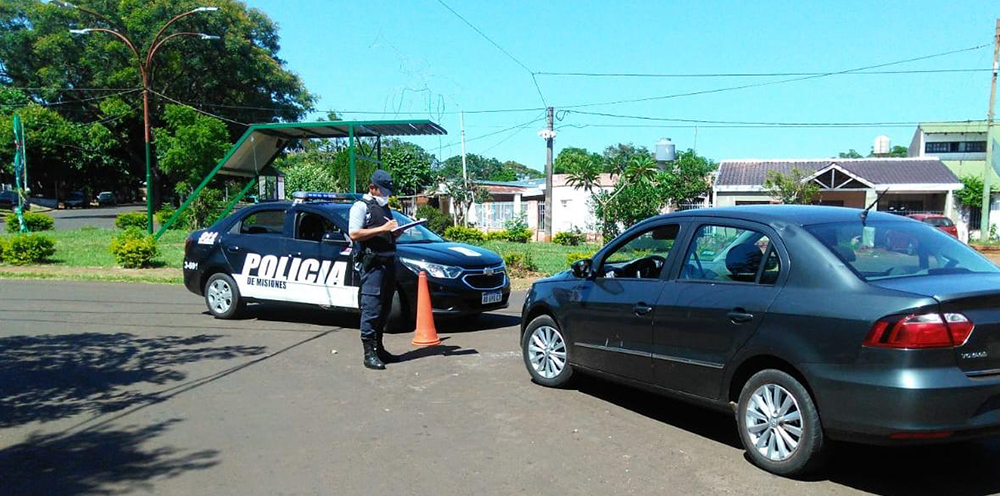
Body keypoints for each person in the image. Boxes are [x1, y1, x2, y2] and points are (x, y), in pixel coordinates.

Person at [348, 169, 402, 370]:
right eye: (383, 191)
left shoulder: (385, 208)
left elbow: (383, 233)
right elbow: (354, 233)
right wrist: (383, 230)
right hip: (373, 265)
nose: (386, 195)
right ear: (372, 188)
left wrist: (394, 234)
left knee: (384, 308)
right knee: (371, 308)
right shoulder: (360, 207)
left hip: (388, 263)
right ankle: (368, 353)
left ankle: (379, 348)